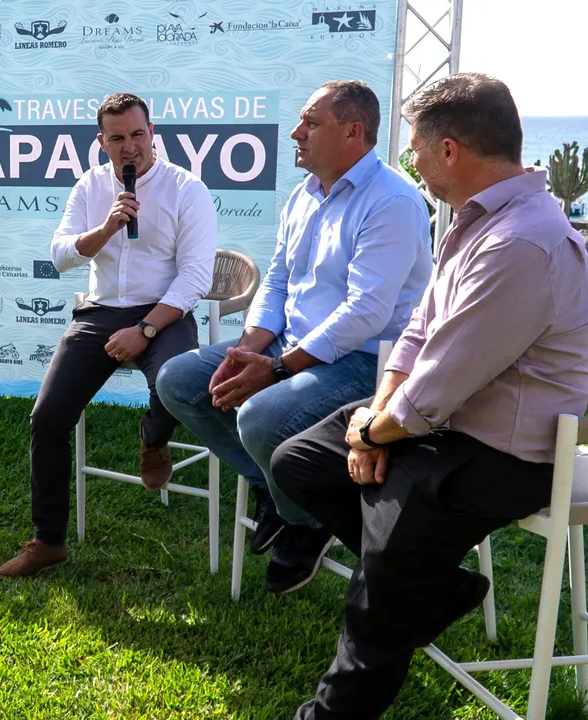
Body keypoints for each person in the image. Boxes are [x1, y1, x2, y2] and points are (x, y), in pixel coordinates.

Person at [270, 73, 588, 719]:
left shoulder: (520, 241)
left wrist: (375, 431)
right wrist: (376, 415)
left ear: (449, 149)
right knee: (300, 463)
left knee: (383, 577)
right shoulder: (482, 219)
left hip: (504, 454)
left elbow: (437, 390)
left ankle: (339, 697)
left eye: (416, 148)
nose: (411, 161)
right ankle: (439, 588)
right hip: (441, 423)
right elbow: (419, 332)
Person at [156, 81, 432, 594]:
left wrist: (280, 369)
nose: (296, 133)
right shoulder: (304, 194)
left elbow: (366, 312)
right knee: (178, 380)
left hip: (367, 363)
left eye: (310, 122)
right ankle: (284, 492)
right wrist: (251, 348)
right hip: (293, 347)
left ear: (353, 132)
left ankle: (306, 521)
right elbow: (279, 280)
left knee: (260, 417)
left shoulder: (393, 201)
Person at [0, 93, 217, 579]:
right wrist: (105, 228)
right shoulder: (90, 185)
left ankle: (153, 438)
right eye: (117, 138)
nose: (129, 147)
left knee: (176, 382)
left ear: (152, 133)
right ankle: (48, 542)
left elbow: (196, 277)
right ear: (102, 143)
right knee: (48, 417)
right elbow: (60, 255)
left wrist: (145, 328)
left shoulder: (187, 188)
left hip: (164, 310)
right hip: (98, 313)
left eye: (138, 135)